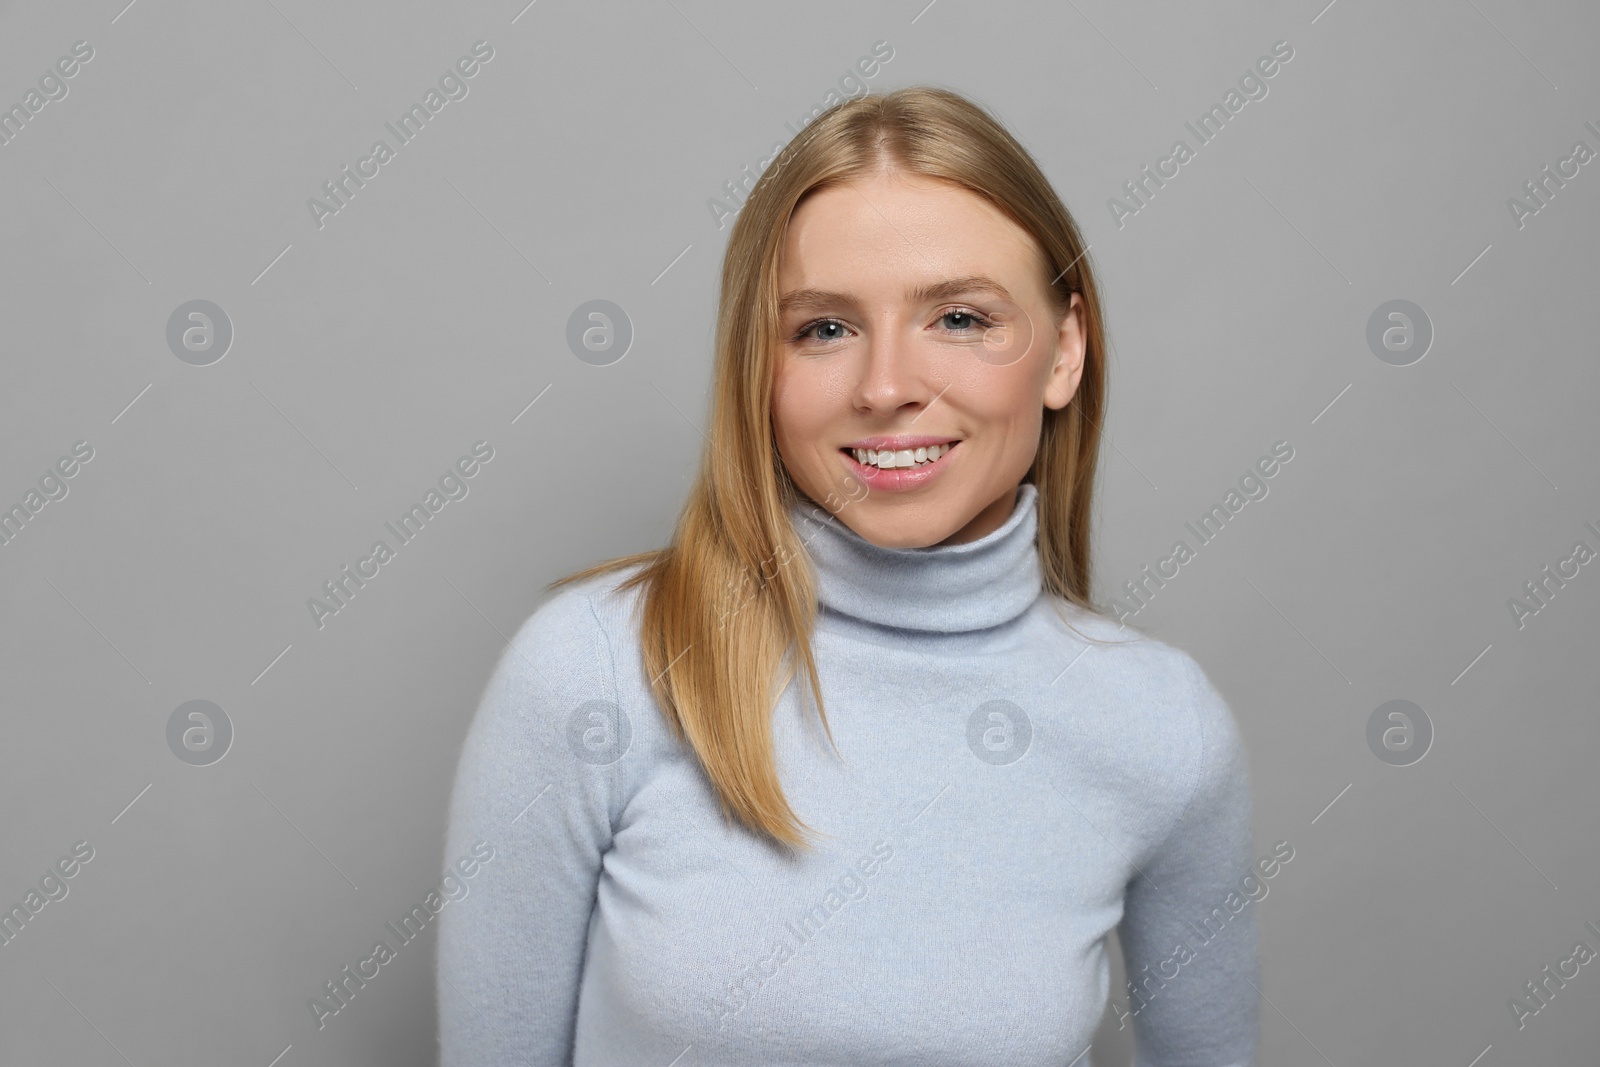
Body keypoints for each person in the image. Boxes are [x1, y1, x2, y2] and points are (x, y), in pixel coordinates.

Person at [437, 85, 1259, 1067]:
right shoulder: (593, 670)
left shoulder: (1161, 725)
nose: (884, 385)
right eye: (824, 328)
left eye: (957, 317)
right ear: (759, 364)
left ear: (1063, 350)